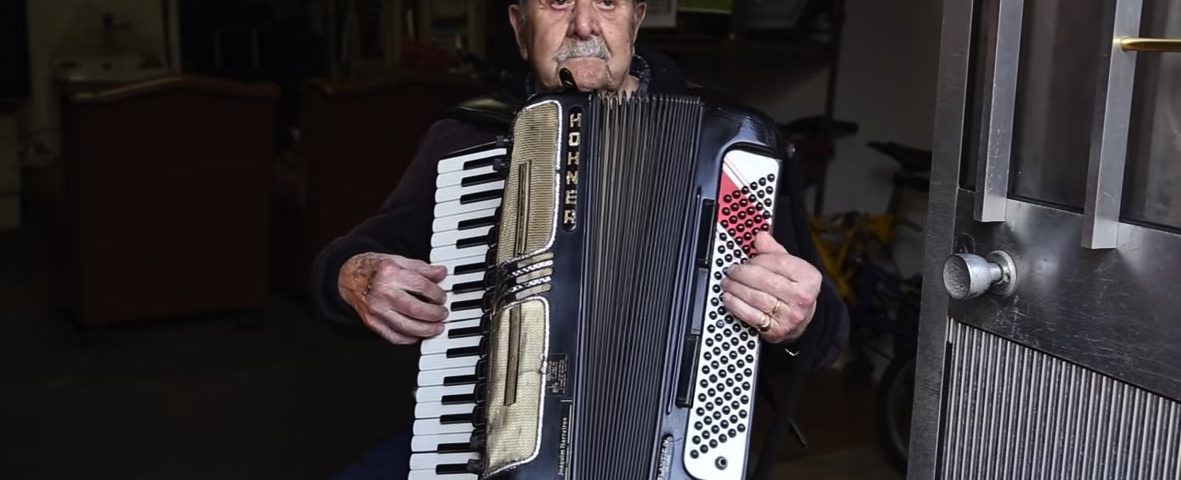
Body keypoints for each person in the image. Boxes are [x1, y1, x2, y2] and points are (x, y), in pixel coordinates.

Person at [316, 1, 848, 478]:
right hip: (489, 443)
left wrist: (799, 316)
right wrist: (353, 276)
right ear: (520, 26)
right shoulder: (468, 139)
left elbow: (827, 334)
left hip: (675, 452)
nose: (585, 24)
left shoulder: (732, 145)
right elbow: (349, 262)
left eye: (609, 3)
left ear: (636, 19)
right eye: (556, 2)